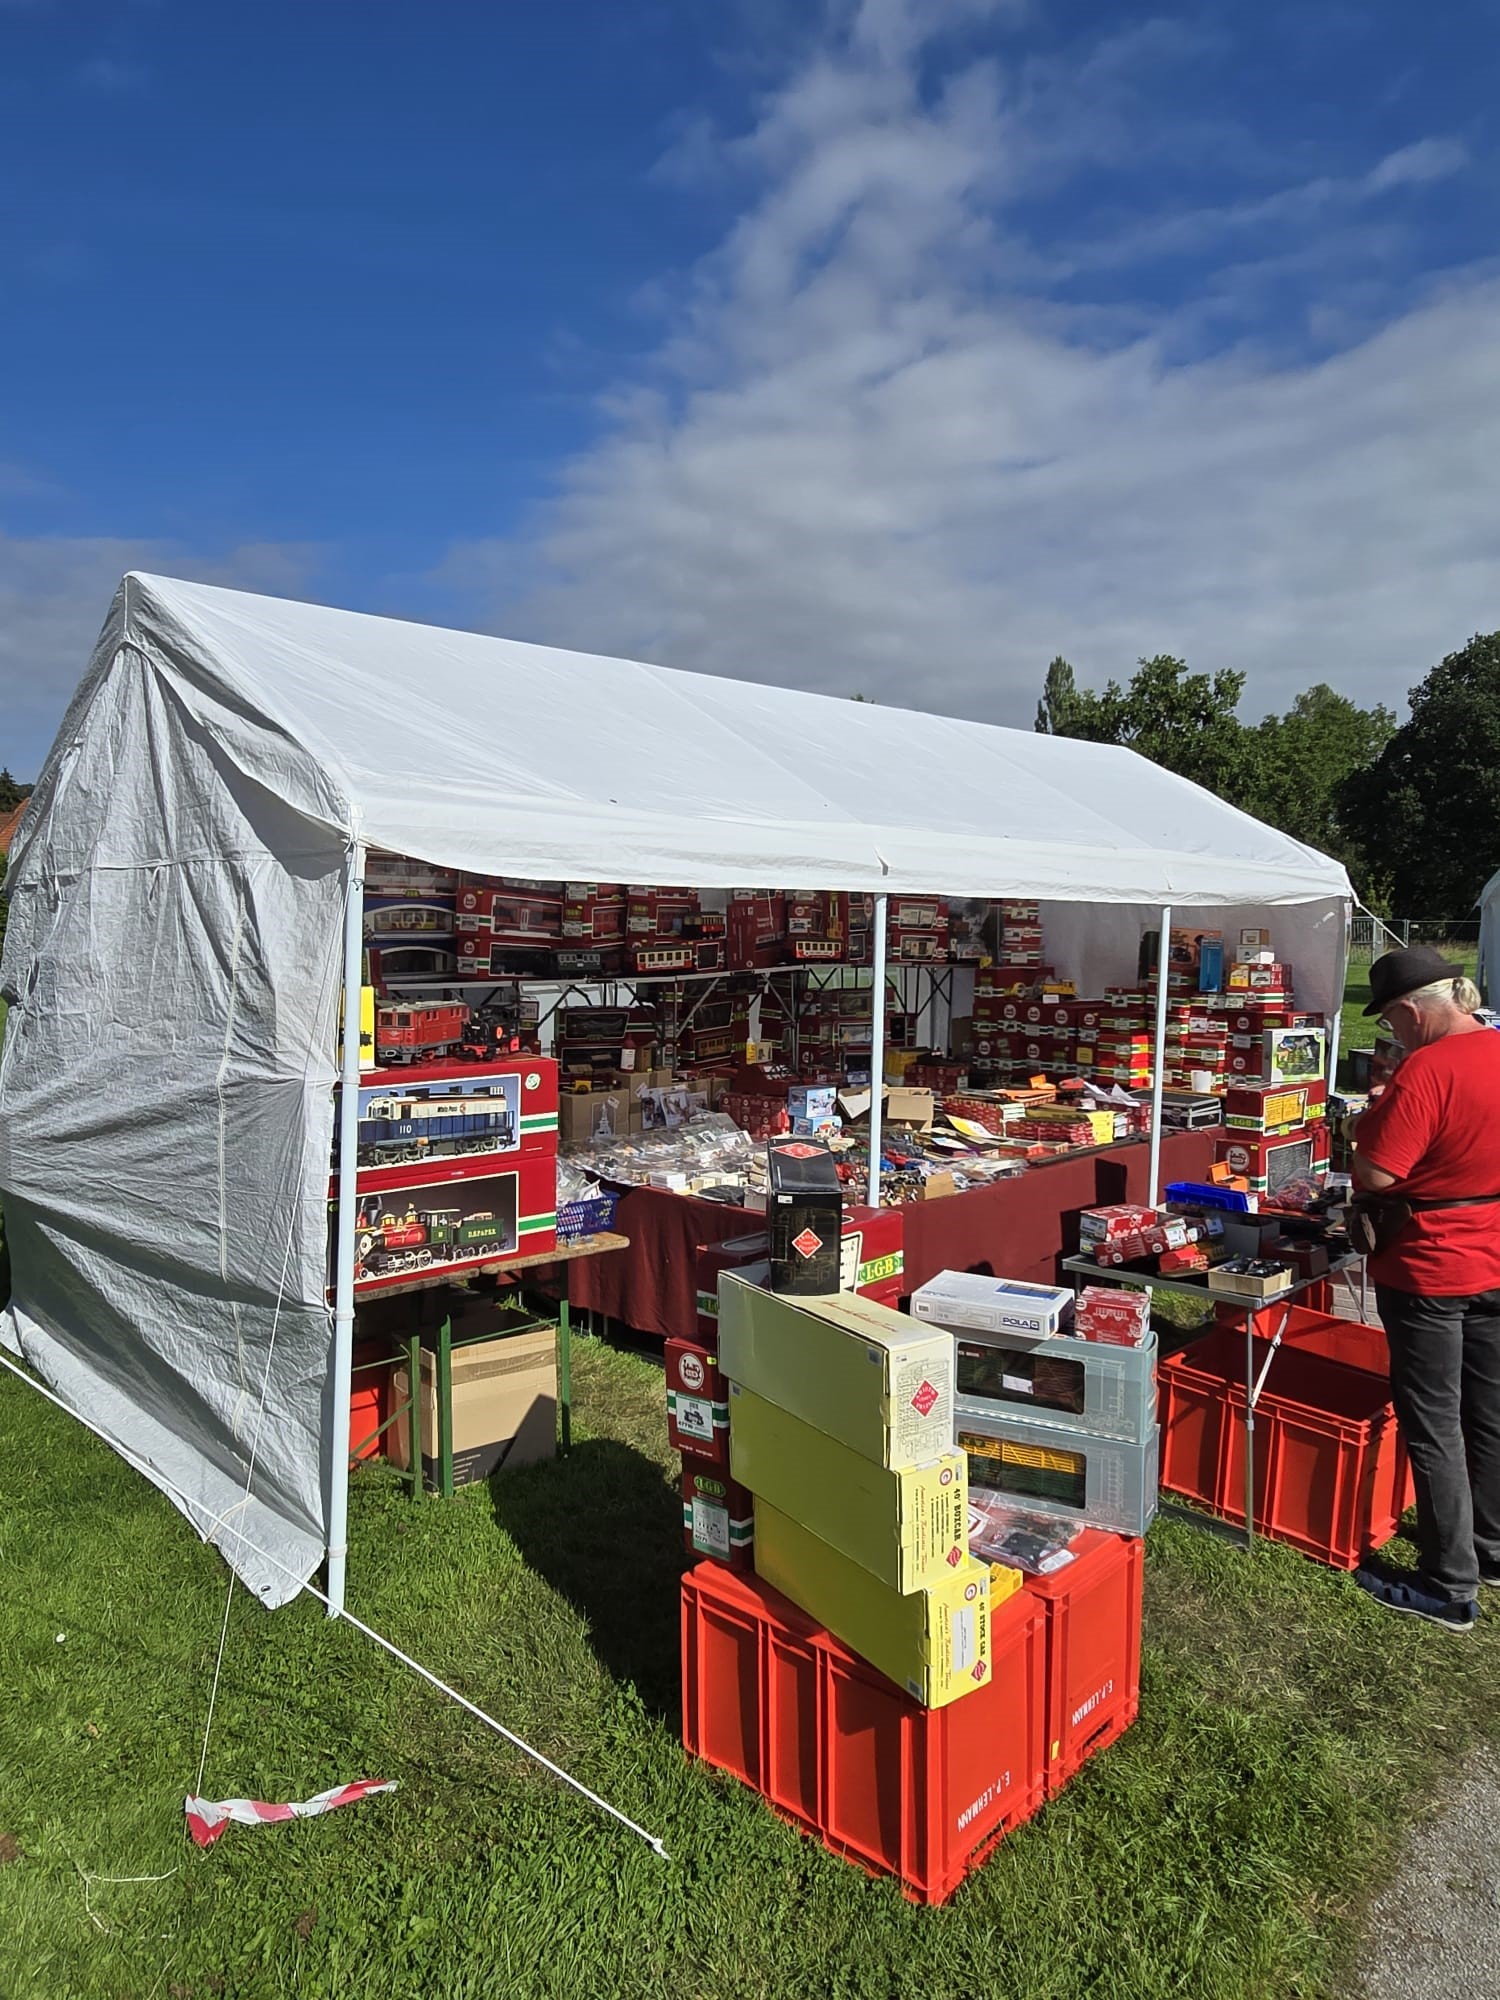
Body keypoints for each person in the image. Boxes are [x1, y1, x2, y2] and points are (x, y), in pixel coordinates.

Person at [1351, 945, 1500, 1632]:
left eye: (1391, 1023)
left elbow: (1379, 1173)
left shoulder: (1427, 1070)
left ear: (1413, 1011)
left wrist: (1365, 1127)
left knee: (1433, 1421)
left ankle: (1449, 1584)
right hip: (1492, 1251)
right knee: (1487, 1414)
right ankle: (1488, 1548)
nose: (1392, 1035)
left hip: (1431, 1264)